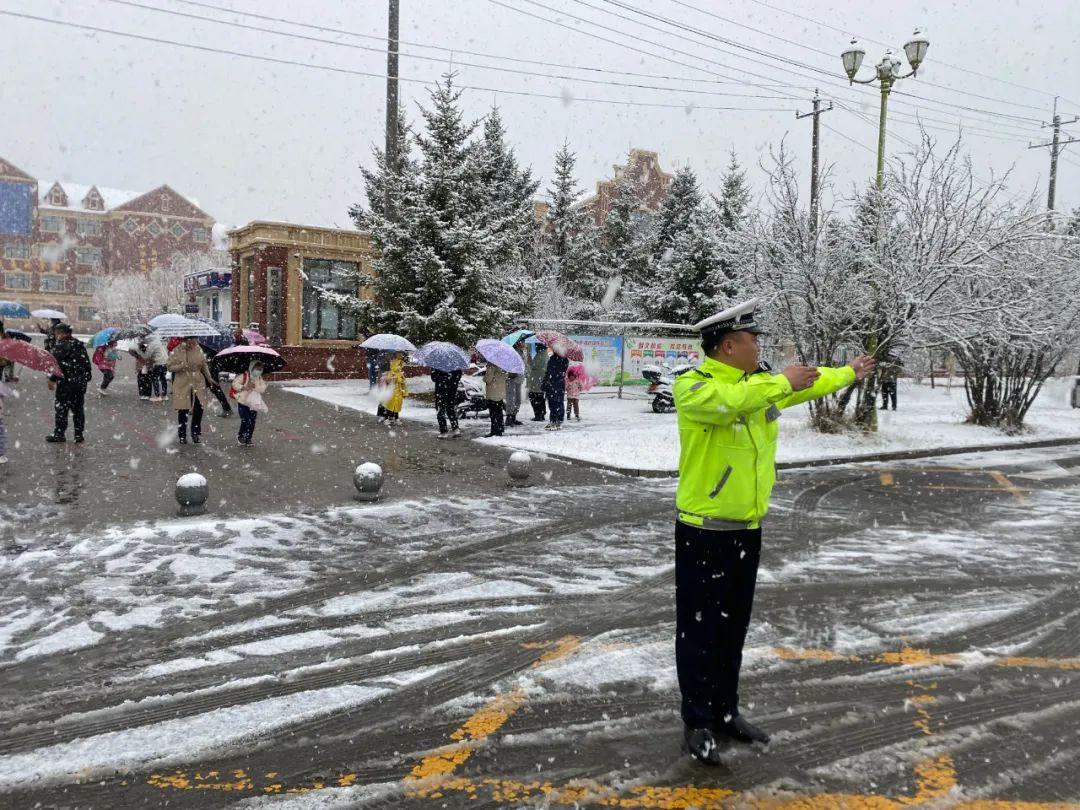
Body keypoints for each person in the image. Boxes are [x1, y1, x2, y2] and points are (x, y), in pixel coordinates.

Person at [672, 299, 874, 765]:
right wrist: (781, 381)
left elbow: (801, 387)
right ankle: (698, 721)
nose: (758, 345)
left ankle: (725, 712)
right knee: (699, 631)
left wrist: (847, 372)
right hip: (704, 532)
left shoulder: (759, 386)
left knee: (732, 628)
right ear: (727, 345)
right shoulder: (694, 387)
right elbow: (737, 401)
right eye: (752, 339)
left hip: (746, 530)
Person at [46, 324, 92, 444]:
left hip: (66, 383)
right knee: (78, 409)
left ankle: (59, 434)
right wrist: (83, 379)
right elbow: (87, 365)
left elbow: (58, 366)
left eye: (57, 334)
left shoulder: (61, 346)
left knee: (62, 408)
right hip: (79, 383)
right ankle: (78, 434)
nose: (56, 336)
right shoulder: (79, 345)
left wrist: (52, 379)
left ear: (62, 333)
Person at [167, 336, 214, 444]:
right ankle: (182, 434)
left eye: (195, 341)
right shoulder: (177, 350)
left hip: (198, 381)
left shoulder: (198, 349)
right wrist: (181, 366)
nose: (193, 343)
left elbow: (204, 364)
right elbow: (169, 367)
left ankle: (195, 432)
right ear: (185, 340)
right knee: (183, 409)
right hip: (182, 381)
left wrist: (209, 377)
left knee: (199, 407)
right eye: (191, 341)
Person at [231, 360, 268, 446]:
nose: (258, 370)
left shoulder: (259, 378)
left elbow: (263, 389)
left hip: (254, 402)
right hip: (243, 402)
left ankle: (248, 438)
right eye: (256, 368)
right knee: (245, 419)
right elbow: (234, 384)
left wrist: (256, 386)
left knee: (252, 421)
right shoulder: (244, 375)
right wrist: (245, 387)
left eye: (260, 369)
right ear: (252, 367)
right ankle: (241, 436)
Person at [543, 348, 569, 431]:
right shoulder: (565, 359)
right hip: (561, 383)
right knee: (559, 401)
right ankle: (559, 420)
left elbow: (549, 372)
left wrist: (546, 380)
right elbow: (563, 371)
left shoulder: (553, 359)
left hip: (552, 383)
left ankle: (553, 421)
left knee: (553, 403)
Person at [432, 367, 462, 439]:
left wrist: (443, 378)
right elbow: (459, 376)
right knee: (450, 408)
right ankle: (455, 429)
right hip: (452, 389)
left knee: (440, 410)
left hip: (441, 390)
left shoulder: (436, 363)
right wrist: (451, 380)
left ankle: (444, 431)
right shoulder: (455, 363)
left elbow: (433, 377)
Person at [377, 353, 406, 424]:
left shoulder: (397, 360)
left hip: (394, 385)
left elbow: (402, 380)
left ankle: (392, 416)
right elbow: (381, 367)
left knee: (394, 401)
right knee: (386, 400)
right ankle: (384, 416)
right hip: (386, 381)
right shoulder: (384, 355)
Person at [504, 339, 526, 427]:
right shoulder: (512, 352)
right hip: (512, 378)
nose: (524, 344)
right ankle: (509, 417)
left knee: (517, 399)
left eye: (524, 342)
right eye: (522, 342)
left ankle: (513, 416)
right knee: (511, 398)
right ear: (517, 343)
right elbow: (509, 364)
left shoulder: (521, 352)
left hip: (519, 378)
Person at [526, 342, 549, 421]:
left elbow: (533, 365)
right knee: (540, 397)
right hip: (540, 380)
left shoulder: (540, 355)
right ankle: (541, 413)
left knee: (534, 396)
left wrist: (529, 357)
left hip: (536, 380)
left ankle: (539, 414)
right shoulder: (546, 355)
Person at [484, 363, 508, 437]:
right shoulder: (503, 364)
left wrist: (484, 378)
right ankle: (500, 427)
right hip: (500, 391)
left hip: (493, 391)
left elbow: (488, 379)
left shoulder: (491, 364)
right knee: (499, 411)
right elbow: (505, 376)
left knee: (493, 413)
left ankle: (495, 430)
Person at [146, 335, 169, 402]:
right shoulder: (159, 342)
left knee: (155, 378)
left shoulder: (152, 345)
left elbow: (148, 355)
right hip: (165, 362)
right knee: (163, 378)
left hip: (158, 363)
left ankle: (157, 396)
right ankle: (164, 395)